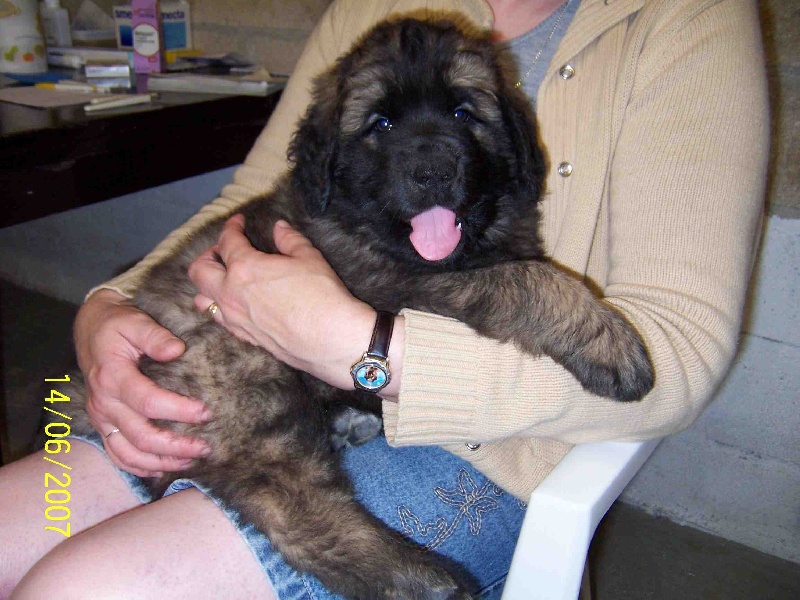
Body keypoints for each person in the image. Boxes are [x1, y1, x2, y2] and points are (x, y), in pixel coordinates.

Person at [0, 0, 769, 597]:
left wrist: (360, 352)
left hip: (492, 447)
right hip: (216, 371)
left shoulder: (688, 20)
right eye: (382, 123)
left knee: (77, 588)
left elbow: (662, 363)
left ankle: (312, 528)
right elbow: (253, 198)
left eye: (464, 114)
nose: (429, 159)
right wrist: (109, 306)